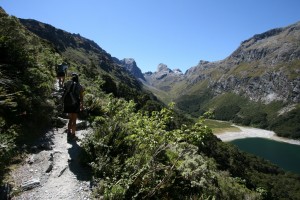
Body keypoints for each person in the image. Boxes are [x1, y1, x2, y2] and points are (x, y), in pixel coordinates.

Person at [63, 73, 84, 142]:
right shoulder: (80, 86)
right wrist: (82, 105)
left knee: (70, 119)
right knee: (74, 120)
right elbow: (81, 97)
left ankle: (68, 133)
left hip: (68, 103)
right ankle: (73, 135)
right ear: (78, 78)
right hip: (76, 103)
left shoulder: (68, 83)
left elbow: (64, 87)